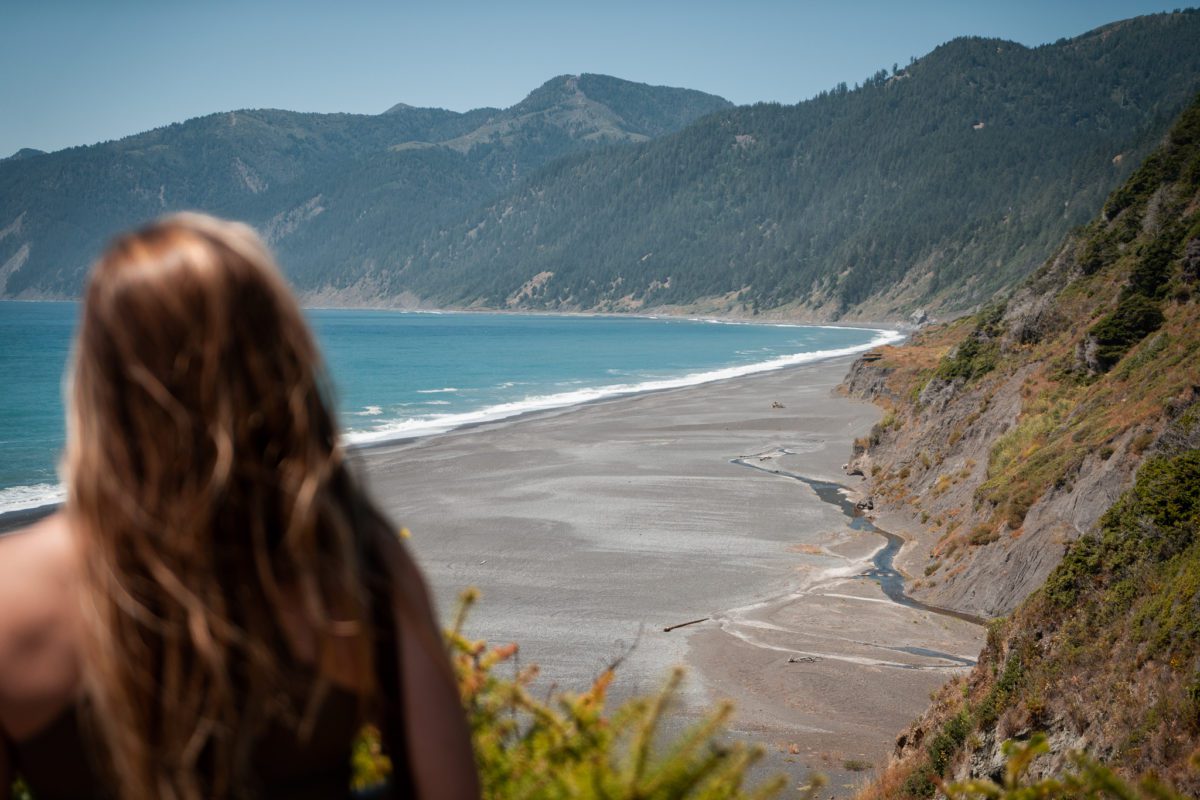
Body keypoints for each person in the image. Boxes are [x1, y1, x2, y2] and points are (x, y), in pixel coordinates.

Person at [0, 214, 479, 799]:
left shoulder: (11, 595)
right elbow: (449, 788)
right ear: (279, 364)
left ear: (98, 377)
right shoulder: (351, 565)